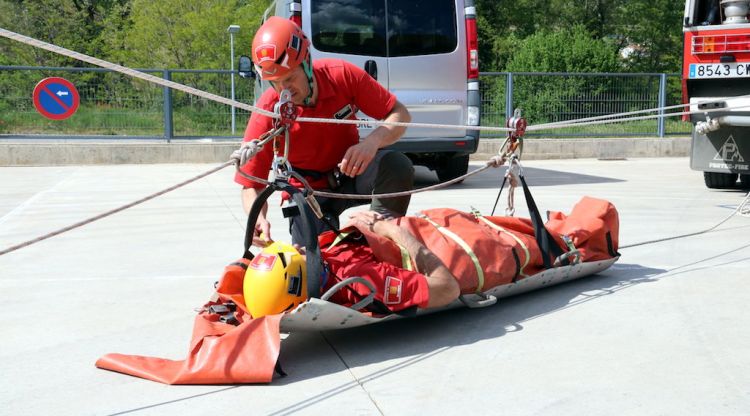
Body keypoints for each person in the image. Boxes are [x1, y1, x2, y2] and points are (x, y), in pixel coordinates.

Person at [235, 17, 414, 247]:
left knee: (396, 165)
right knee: (316, 261)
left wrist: (372, 141)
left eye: (290, 78)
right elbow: (251, 183)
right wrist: (257, 217)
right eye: (275, 82)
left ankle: (383, 238)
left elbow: (400, 114)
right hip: (308, 191)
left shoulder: (341, 76)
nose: (284, 89)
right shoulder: (269, 109)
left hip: (349, 171)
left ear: (307, 62)